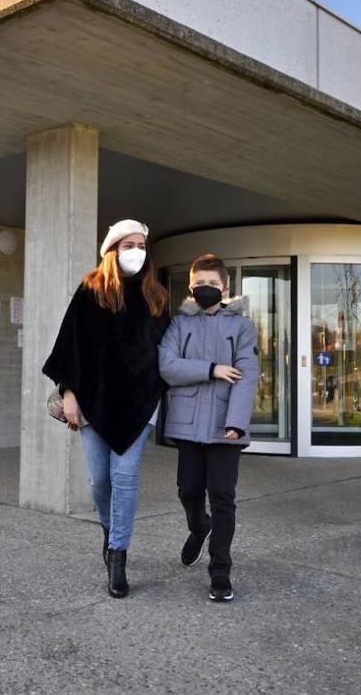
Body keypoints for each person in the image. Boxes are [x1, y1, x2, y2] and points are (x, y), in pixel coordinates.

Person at [42, 219, 170, 599]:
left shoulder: (156, 296)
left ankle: (118, 555)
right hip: (94, 400)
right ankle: (110, 528)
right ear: (112, 250)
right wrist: (68, 393)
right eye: (128, 244)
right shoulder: (91, 290)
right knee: (100, 482)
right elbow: (70, 344)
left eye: (142, 245)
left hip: (139, 402)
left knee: (125, 478)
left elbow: (169, 350)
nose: (137, 251)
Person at [158, 253, 260, 602]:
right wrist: (213, 368)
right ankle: (198, 527)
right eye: (199, 284)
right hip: (187, 424)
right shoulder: (179, 325)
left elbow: (246, 375)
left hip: (224, 426)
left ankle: (220, 571)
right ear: (190, 286)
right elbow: (167, 366)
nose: (206, 289)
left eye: (212, 284)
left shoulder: (243, 327)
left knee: (222, 497)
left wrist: (236, 421)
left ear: (225, 288)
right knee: (187, 490)